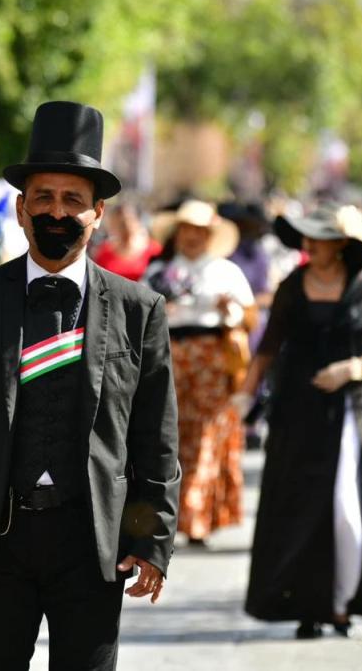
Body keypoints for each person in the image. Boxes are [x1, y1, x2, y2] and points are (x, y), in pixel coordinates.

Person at [0, 101, 180, 670]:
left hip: (93, 543)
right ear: (21, 208)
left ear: (98, 213)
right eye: (44, 198)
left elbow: (155, 440)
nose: (58, 212)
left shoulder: (139, 309)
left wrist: (150, 539)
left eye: (73, 200)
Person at [241, 203, 362, 639]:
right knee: (299, 505)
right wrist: (244, 395)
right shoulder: (292, 284)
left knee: (345, 505)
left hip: (346, 411)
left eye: (319, 238)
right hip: (296, 410)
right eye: (307, 237)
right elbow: (268, 346)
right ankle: (307, 606)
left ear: (340, 245)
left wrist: (355, 367)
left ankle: (342, 603)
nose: (309, 245)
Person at [143, 200, 255, 546]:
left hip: (212, 355)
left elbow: (251, 320)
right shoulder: (158, 272)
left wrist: (230, 312)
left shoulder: (225, 271)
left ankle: (196, 515)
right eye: (187, 230)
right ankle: (171, 512)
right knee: (169, 434)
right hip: (170, 353)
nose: (192, 237)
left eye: (199, 231)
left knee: (207, 436)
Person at [91, 202, 161, 281]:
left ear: (137, 221)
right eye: (119, 223)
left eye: (128, 220)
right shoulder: (104, 252)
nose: (124, 226)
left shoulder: (154, 250)